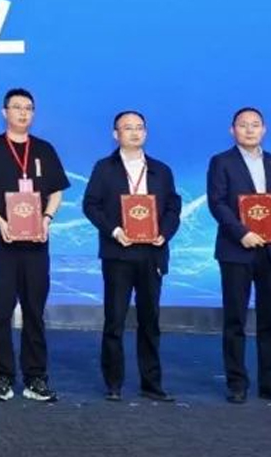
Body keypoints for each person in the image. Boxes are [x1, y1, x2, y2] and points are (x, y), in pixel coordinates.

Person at [0, 88, 69, 403]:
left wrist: (46, 219)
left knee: (35, 312)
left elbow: (57, 191)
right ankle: (2, 378)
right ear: (4, 112)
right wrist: (1, 221)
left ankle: (36, 378)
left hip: (36, 244)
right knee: (0, 312)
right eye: (17, 107)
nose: (23, 113)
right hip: (2, 242)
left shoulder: (44, 150)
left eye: (29, 108)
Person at [82, 110, 182, 402]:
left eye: (139, 127)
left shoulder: (161, 170)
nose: (135, 132)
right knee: (115, 320)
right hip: (119, 254)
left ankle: (152, 384)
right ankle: (113, 384)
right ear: (116, 134)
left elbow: (173, 206)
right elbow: (91, 205)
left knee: (150, 321)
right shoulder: (105, 168)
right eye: (128, 128)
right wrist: (114, 231)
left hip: (152, 253)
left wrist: (164, 233)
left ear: (146, 133)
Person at [206, 106, 271, 405]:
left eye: (255, 124)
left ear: (264, 129)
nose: (249, 130)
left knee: (270, 320)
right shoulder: (221, 162)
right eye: (243, 125)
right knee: (235, 319)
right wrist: (241, 232)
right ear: (232, 130)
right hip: (236, 250)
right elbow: (217, 203)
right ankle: (237, 383)